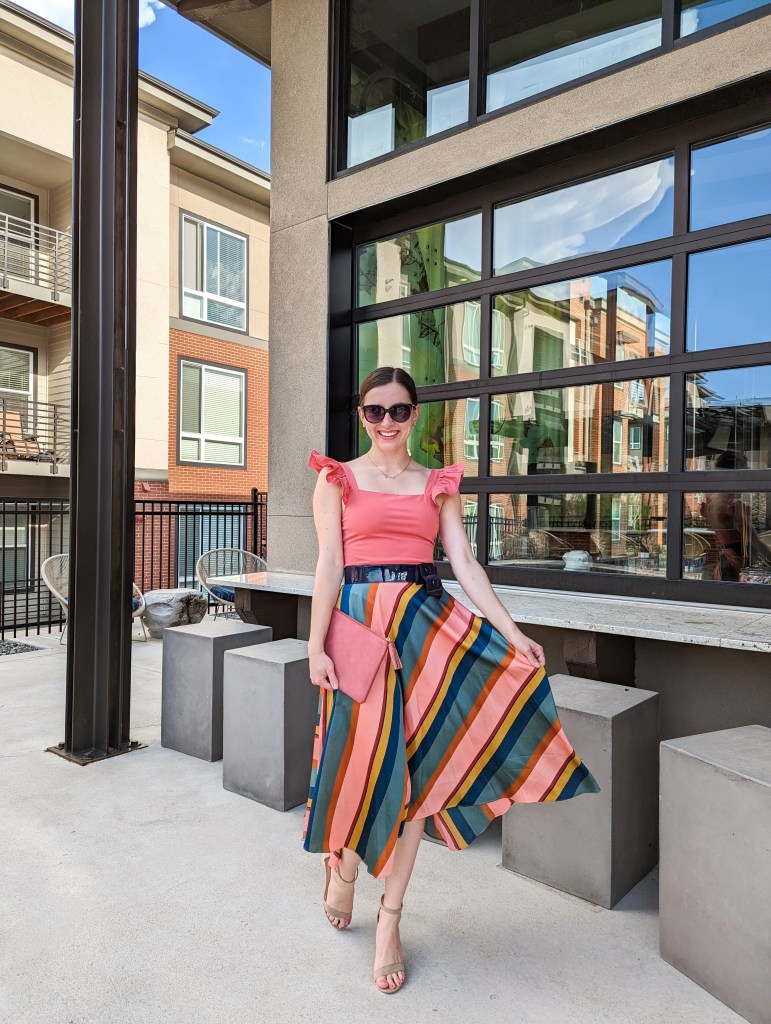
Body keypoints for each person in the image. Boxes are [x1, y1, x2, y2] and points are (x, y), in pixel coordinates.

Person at [303, 366, 600, 993]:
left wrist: (513, 632)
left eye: (399, 411)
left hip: (427, 640)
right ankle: (345, 864)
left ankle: (390, 920)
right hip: (358, 640)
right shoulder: (337, 480)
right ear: (361, 415)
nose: (387, 422)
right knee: (360, 767)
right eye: (375, 411)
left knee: (420, 780)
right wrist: (315, 642)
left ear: (417, 415)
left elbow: (464, 563)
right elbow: (329, 563)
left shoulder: (436, 485)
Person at [701, 451, 771, 580]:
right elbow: (755, 541)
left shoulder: (711, 504)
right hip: (737, 562)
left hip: (724, 561)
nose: (745, 478)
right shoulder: (733, 508)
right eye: (743, 472)